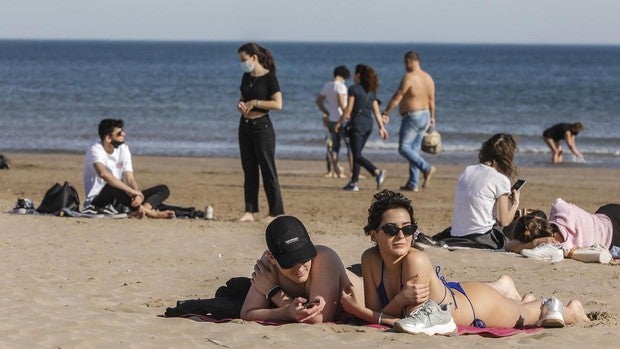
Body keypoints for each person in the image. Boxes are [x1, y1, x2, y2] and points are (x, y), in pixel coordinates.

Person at [340, 190, 589, 334]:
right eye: (391, 229)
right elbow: (379, 313)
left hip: (474, 307)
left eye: (408, 228)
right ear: (374, 235)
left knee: (528, 315)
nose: (401, 236)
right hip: (454, 294)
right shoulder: (370, 258)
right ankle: (506, 288)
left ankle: (571, 309)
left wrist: (363, 310)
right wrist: (393, 304)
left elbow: (414, 325)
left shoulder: (415, 261)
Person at [240, 215, 363, 323]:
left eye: (304, 259)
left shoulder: (325, 258)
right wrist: (285, 312)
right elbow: (247, 313)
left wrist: (274, 293)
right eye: (290, 263)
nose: (299, 270)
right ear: (272, 258)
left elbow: (319, 319)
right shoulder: (268, 264)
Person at [434, 133, 521, 249]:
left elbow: (479, 204)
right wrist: (515, 203)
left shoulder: (467, 170)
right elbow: (503, 221)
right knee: (517, 223)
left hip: (457, 234)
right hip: (480, 237)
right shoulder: (500, 179)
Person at [82, 119, 175, 219]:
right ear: (108, 138)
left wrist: (136, 194)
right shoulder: (95, 149)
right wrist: (131, 192)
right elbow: (103, 174)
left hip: (119, 197)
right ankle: (152, 213)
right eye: (119, 133)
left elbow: (129, 177)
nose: (124, 134)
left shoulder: (124, 148)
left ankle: (143, 210)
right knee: (113, 185)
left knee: (163, 189)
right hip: (98, 199)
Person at [236, 42, 285, 222]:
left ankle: (276, 211)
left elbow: (278, 104)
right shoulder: (245, 77)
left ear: (254, 58)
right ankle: (250, 211)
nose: (242, 63)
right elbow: (243, 98)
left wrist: (255, 103)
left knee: (268, 170)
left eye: (244, 59)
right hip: (245, 126)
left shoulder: (269, 78)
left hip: (262, 127)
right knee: (249, 170)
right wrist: (241, 104)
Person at [382, 51, 436, 192]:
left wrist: (386, 111)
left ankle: (426, 168)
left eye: (405, 62)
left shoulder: (409, 77)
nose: (405, 65)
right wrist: (432, 117)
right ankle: (413, 183)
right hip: (425, 115)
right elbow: (431, 100)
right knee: (414, 150)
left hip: (414, 116)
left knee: (404, 147)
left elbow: (399, 95)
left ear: (410, 61)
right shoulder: (428, 77)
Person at [335, 64, 388, 192]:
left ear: (359, 75)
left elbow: (348, 110)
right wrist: (382, 127)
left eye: (355, 73)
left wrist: (339, 122)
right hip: (368, 126)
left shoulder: (353, 89)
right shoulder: (372, 92)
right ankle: (354, 183)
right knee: (357, 153)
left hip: (357, 126)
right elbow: (376, 111)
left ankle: (375, 171)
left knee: (357, 155)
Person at [505, 198, 620, 255]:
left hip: (610, 233)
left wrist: (536, 243)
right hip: (607, 217)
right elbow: (558, 201)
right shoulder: (560, 209)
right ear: (539, 219)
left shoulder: (561, 247)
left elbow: (510, 247)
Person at [316, 65, 351, 179]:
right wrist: (348, 114)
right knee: (350, 146)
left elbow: (319, 101)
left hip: (331, 119)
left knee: (335, 147)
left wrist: (327, 112)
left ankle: (336, 170)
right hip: (342, 120)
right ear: (343, 75)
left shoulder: (328, 85)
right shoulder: (341, 86)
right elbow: (342, 103)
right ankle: (353, 171)